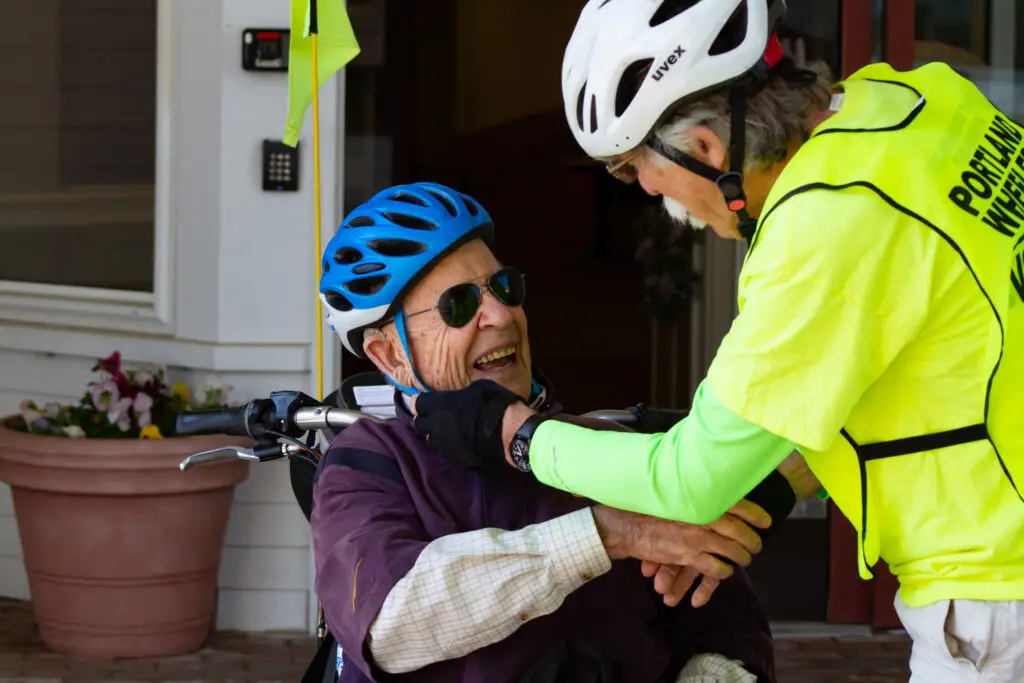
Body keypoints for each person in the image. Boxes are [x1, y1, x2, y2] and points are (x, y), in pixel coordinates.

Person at [406, 1, 1024, 682]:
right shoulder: (915, 98)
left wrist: (512, 432)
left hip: (996, 592)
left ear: (705, 149)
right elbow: (917, 366)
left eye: (637, 167)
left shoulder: (824, 225)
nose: (644, 188)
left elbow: (685, 480)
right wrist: (770, 494)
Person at [311, 181, 804, 683]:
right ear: (388, 355)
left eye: (505, 288)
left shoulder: (601, 445)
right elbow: (393, 626)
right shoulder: (370, 460)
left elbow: (726, 631)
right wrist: (607, 534)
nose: (501, 316)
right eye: (458, 305)